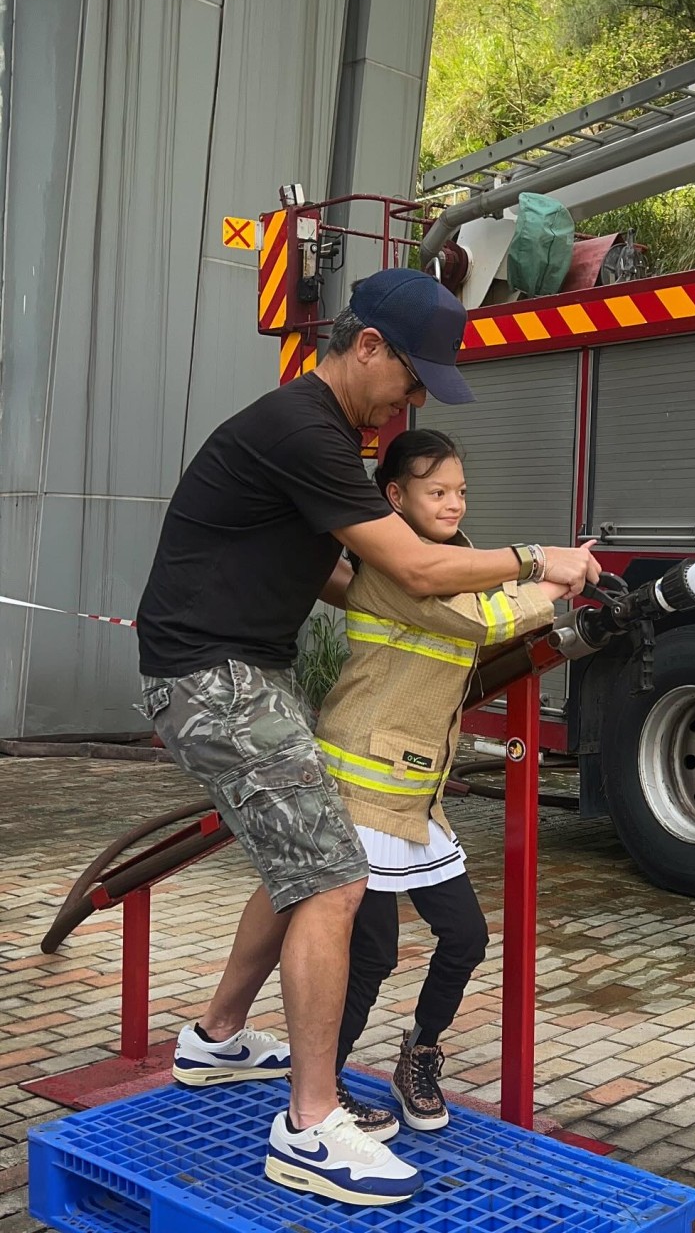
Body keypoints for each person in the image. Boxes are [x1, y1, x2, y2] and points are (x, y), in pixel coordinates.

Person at [135, 266, 600, 1207]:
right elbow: (419, 570)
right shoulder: (305, 428)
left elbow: (338, 575)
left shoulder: (322, 435)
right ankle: (309, 1127)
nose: (416, 399)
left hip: (230, 673)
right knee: (339, 875)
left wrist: (399, 594)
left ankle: (217, 1041)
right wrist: (535, 561)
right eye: (414, 377)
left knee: (301, 862)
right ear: (369, 346)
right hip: (210, 680)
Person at [313, 429, 569, 1140]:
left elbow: (487, 608)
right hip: (362, 793)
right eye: (437, 491)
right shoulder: (399, 567)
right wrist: (553, 575)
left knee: (464, 937)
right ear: (395, 498)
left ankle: (418, 1055)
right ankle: (321, 1086)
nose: (454, 502)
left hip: (413, 797)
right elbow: (483, 620)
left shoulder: (451, 562)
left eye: (460, 491)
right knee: (372, 955)